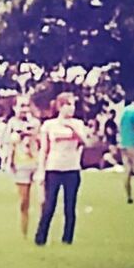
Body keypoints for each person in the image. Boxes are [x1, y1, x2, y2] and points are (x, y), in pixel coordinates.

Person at [33, 92, 93, 246]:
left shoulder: (78, 124)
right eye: (68, 104)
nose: (71, 108)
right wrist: (41, 170)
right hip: (53, 168)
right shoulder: (49, 125)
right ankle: (41, 238)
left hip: (72, 169)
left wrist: (73, 127)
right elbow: (44, 149)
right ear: (60, 106)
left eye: (73, 104)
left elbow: (87, 142)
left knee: (70, 206)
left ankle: (67, 239)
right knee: (49, 205)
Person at [0, 95, 42, 236]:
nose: (24, 109)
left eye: (27, 106)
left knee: (43, 200)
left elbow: (41, 140)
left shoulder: (35, 123)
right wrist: (7, 158)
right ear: (14, 107)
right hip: (21, 164)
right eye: (21, 106)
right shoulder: (11, 124)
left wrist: (32, 133)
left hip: (36, 164)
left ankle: (41, 230)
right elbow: (3, 144)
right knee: (24, 201)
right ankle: (24, 232)